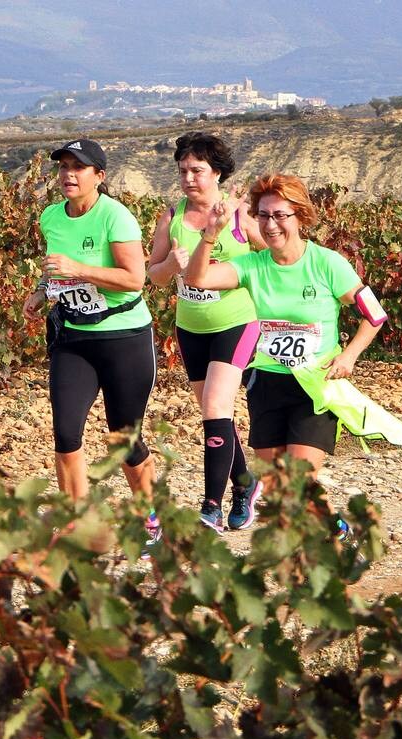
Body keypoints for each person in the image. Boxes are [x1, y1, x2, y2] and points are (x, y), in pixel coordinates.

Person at [184, 173, 386, 534]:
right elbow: (197, 279)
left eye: (280, 215)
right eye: (263, 215)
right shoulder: (253, 266)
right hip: (267, 386)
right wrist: (211, 233)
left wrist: (349, 356)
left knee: (299, 481)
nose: (271, 224)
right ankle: (337, 530)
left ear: (300, 217)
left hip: (314, 388)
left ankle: (327, 556)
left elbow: (375, 315)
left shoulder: (327, 264)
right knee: (280, 489)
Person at [23, 138, 161, 550]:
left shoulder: (115, 217)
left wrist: (79, 268)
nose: (68, 174)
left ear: (99, 177)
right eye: (63, 166)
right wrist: (41, 291)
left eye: (78, 167)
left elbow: (135, 279)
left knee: (124, 438)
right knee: (66, 434)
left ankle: (150, 515)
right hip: (74, 338)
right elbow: (56, 271)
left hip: (124, 339)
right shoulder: (51, 217)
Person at [148, 132, 265, 532]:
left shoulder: (239, 215)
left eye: (197, 171)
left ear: (217, 173)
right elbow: (155, 275)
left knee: (216, 407)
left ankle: (211, 507)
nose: (188, 179)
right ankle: (246, 484)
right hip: (191, 327)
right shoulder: (172, 217)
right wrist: (172, 266)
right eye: (182, 171)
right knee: (215, 413)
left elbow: (275, 261)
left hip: (237, 322)